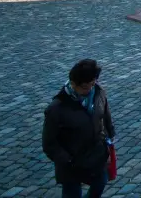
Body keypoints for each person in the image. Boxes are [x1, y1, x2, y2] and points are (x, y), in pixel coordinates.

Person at [42, 59, 115, 198]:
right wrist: (68, 160)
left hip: (97, 155)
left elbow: (105, 115)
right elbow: (49, 143)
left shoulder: (99, 93)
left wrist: (110, 135)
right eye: (86, 87)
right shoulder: (57, 109)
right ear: (73, 84)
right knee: (72, 194)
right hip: (72, 164)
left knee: (100, 183)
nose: (90, 90)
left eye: (93, 84)